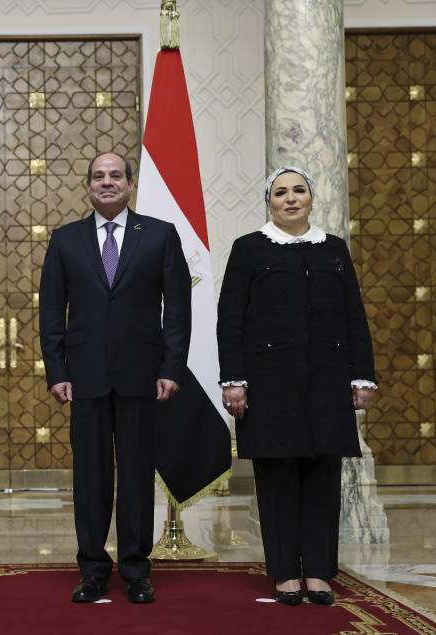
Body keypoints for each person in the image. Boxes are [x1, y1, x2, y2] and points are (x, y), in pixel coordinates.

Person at [217, 166, 377, 607]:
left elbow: (354, 318)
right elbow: (230, 320)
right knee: (278, 479)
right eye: (281, 192)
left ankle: (320, 574)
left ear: (311, 198)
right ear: (269, 201)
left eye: (299, 191)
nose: (291, 199)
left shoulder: (334, 250)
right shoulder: (249, 249)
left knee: (323, 478)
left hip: (327, 381)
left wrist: (362, 375)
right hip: (270, 385)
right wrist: (233, 381)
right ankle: (286, 573)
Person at [38, 152, 192, 604]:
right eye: (99, 177)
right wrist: (57, 369)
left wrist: (171, 368)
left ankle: (136, 570)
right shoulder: (65, 240)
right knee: (90, 478)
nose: (107, 183)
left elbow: (177, 310)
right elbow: (52, 312)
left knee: (138, 476)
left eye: (116, 176)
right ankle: (92, 570)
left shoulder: (159, 236)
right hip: (83, 378)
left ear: (130, 183)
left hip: (143, 376)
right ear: (88, 186)